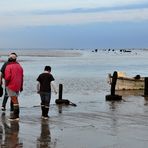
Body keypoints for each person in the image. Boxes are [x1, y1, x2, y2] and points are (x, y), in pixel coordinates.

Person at [0, 53, 23, 121]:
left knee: (14, 100)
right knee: (15, 99)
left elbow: (7, 77)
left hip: (11, 85)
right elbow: (22, 77)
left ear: (9, 59)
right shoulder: (19, 66)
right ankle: (14, 112)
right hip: (18, 85)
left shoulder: (8, 66)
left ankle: (16, 116)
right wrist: (21, 86)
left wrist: (5, 83)